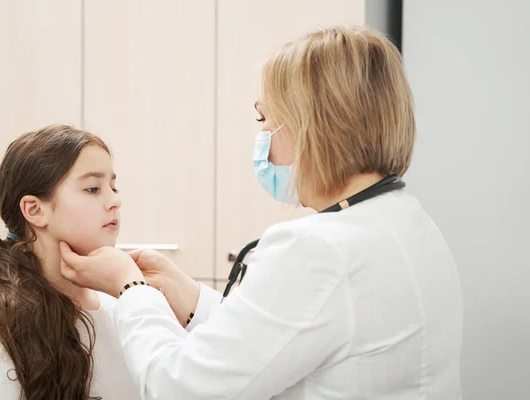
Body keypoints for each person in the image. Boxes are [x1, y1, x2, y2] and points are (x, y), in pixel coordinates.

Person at [60, 25, 463, 399]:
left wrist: (132, 291)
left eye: (265, 118)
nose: (263, 141)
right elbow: (291, 334)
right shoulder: (404, 220)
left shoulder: (319, 251)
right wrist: (190, 298)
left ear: (312, 126)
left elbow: (180, 386)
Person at [0, 125, 139, 400]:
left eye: (113, 187)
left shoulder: (127, 308)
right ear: (35, 210)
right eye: (92, 188)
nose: (115, 200)